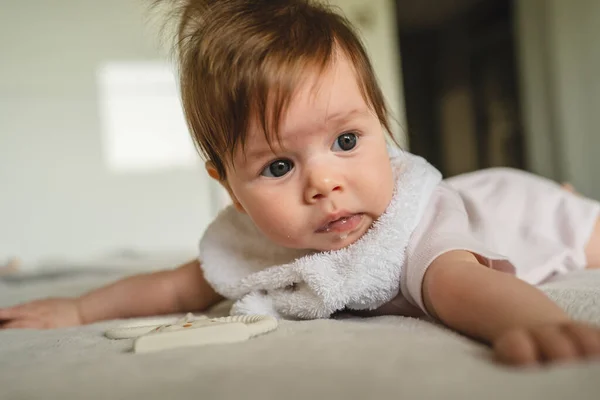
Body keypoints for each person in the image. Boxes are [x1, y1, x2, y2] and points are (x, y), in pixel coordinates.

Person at [1, 0, 600, 367]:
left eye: (346, 142)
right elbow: (174, 288)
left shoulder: (414, 221)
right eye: (279, 167)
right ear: (232, 190)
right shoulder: (254, 240)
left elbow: (460, 285)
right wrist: (80, 306)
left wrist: (538, 324)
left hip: (522, 208)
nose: (325, 183)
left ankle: (570, 200)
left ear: (381, 131)